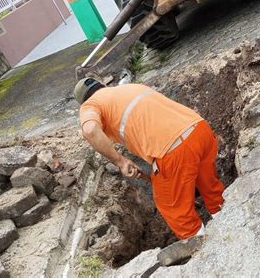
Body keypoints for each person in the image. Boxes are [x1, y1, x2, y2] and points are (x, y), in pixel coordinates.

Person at [74, 77, 225, 240]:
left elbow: (90, 130)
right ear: (103, 86)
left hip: (174, 147)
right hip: (200, 130)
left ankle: (199, 245)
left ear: (83, 101)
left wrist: (120, 161)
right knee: (209, 185)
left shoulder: (90, 105)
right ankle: (228, 219)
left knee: (172, 206)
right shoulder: (128, 88)